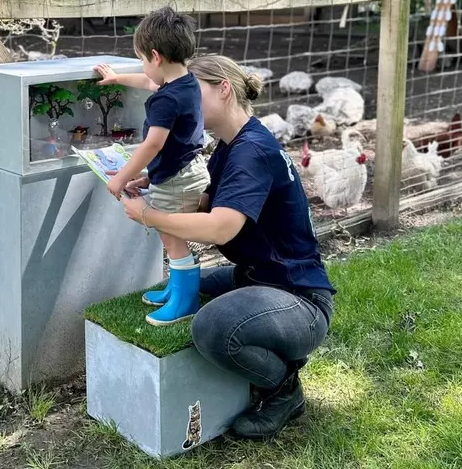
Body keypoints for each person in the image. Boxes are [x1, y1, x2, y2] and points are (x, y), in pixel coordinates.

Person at [118, 54, 335, 440]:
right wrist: (156, 182)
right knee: (196, 285)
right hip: (259, 277)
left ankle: (283, 389)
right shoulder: (231, 144)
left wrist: (149, 217)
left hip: (299, 298)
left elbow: (220, 227)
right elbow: (207, 203)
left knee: (213, 327)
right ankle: (265, 345)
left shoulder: (251, 151)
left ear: (224, 89)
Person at [94, 6, 208, 326]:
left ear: (155, 56)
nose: (143, 67)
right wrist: (118, 78)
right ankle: (176, 289)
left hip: (177, 179)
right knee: (169, 236)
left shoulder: (166, 100)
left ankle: (184, 302)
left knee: (172, 237)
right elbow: (148, 82)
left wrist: (122, 178)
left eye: (142, 59)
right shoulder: (185, 83)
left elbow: (153, 144)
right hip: (185, 171)